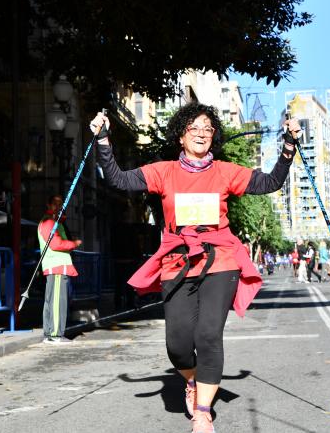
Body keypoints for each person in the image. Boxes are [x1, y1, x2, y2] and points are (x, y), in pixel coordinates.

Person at [90, 103, 302, 432]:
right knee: (177, 344)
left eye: (208, 129)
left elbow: (271, 181)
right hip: (177, 260)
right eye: (194, 129)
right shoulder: (163, 172)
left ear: (213, 136)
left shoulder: (226, 172)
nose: (202, 134)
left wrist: (288, 146)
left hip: (221, 258)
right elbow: (117, 179)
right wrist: (103, 140)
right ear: (181, 136)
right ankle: (192, 382)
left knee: (207, 336)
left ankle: (203, 410)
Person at [37, 195, 83, 345]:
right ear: (48, 205)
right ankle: (55, 334)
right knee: (57, 301)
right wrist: (74, 244)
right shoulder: (49, 222)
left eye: (61, 204)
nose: (59, 207)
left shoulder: (54, 222)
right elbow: (56, 244)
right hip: (56, 266)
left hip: (56, 266)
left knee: (52, 301)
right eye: (55, 204)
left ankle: (50, 333)